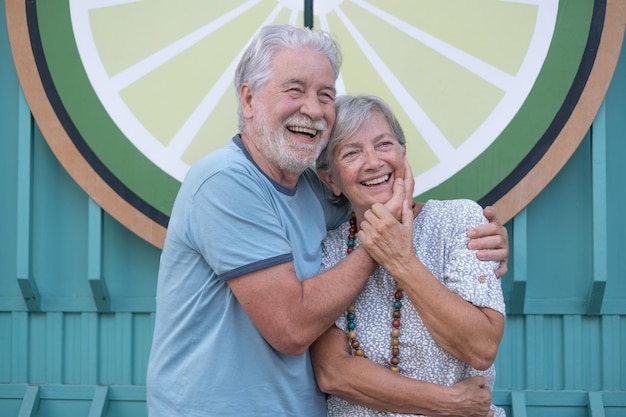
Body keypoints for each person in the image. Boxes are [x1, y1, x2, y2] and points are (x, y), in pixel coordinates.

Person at [146, 24, 508, 417]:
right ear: (248, 100)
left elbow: (371, 202)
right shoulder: (224, 182)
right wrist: (382, 243)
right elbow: (291, 328)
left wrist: (485, 237)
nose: (314, 109)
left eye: (325, 95)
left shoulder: (316, 195)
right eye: (294, 90)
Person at [310, 94, 506, 417]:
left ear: (404, 154)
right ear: (330, 179)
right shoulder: (327, 251)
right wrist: (450, 403)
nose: (373, 162)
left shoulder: (458, 222)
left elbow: (481, 347)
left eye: (384, 144)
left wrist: (402, 260)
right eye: (352, 152)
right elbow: (333, 372)